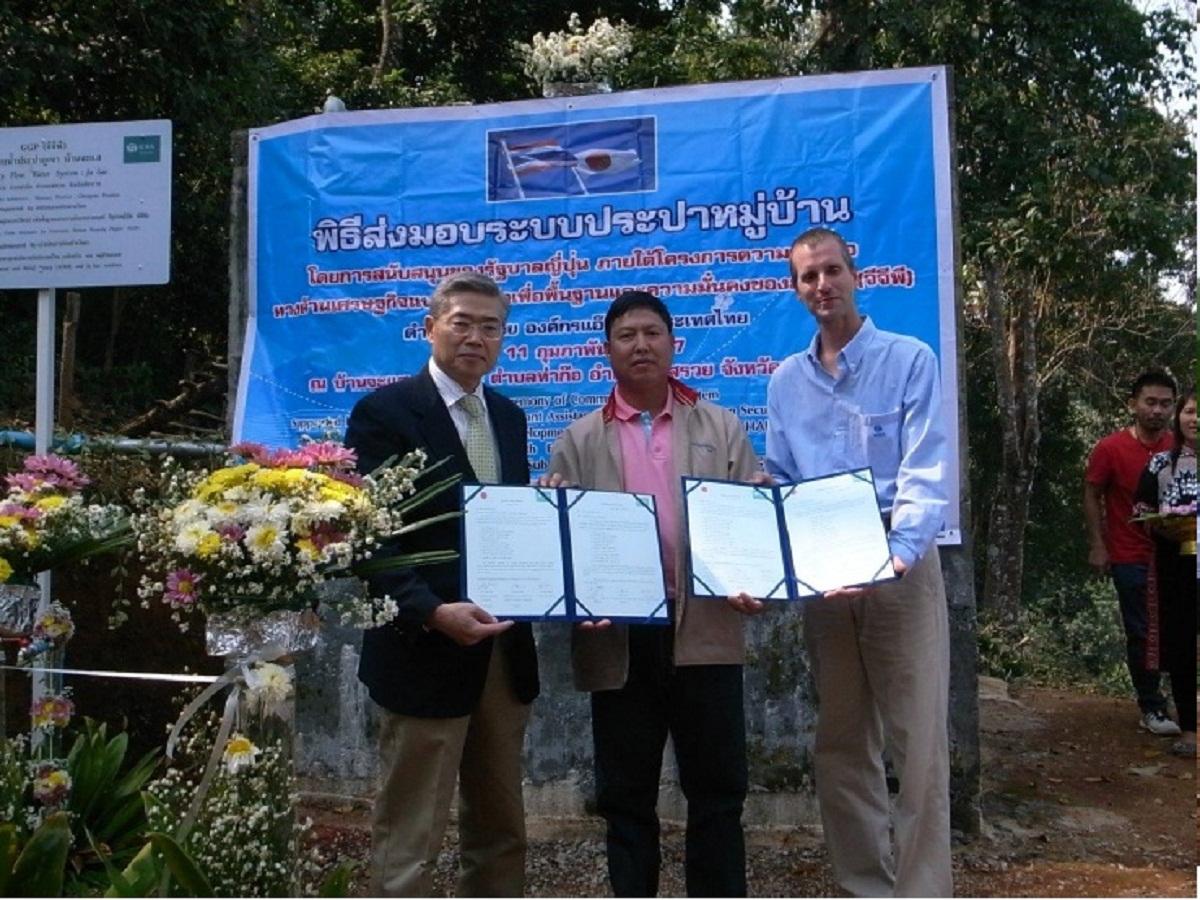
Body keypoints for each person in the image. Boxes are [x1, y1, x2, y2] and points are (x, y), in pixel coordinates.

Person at [545, 290, 763, 897]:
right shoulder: (578, 439)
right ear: (606, 350)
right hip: (619, 637)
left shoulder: (721, 426)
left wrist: (758, 559)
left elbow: (749, 524)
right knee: (625, 797)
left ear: (673, 344)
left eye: (652, 333)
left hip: (705, 631)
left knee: (718, 793)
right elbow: (565, 545)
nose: (640, 345)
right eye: (626, 335)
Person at [765, 227, 951, 897]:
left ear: (854, 273)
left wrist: (896, 557)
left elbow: (925, 470)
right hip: (823, 570)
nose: (822, 285)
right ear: (796, 290)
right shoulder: (786, 381)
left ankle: (922, 890)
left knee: (918, 744)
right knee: (842, 741)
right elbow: (782, 475)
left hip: (898, 562)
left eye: (831, 270)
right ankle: (862, 885)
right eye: (808, 277)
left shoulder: (909, 360)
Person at [344, 271, 539, 897]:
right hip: (423, 647)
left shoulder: (509, 417)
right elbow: (368, 538)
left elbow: (509, 526)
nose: (476, 338)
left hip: (502, 650)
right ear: (430, 328)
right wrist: (430, 611)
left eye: (491, 327)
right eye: (462, 323)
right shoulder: (384, 413)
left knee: (501, 823)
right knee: (412, 829)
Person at [1084, 370, 1179, 736]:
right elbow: (1092, 492)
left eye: (1165, 404)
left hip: (1177, 553)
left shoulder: (1181, 447)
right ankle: (1151, 705)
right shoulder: (1110, 448)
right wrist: (1098, 544)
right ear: (1133, 404)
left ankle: (1176, 699)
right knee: (1141, 630)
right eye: (1150, 402)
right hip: (1129, 553)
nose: (1157, 410)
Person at [1133, 387, 1197, 757]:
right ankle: (1190, 729)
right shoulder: (1160, 464)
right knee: (1182, 645)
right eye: (1190, 411)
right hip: (1176, 565)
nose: (1195, 419)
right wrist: (1163, 524)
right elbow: (1141, 508)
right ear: (1179, 416)